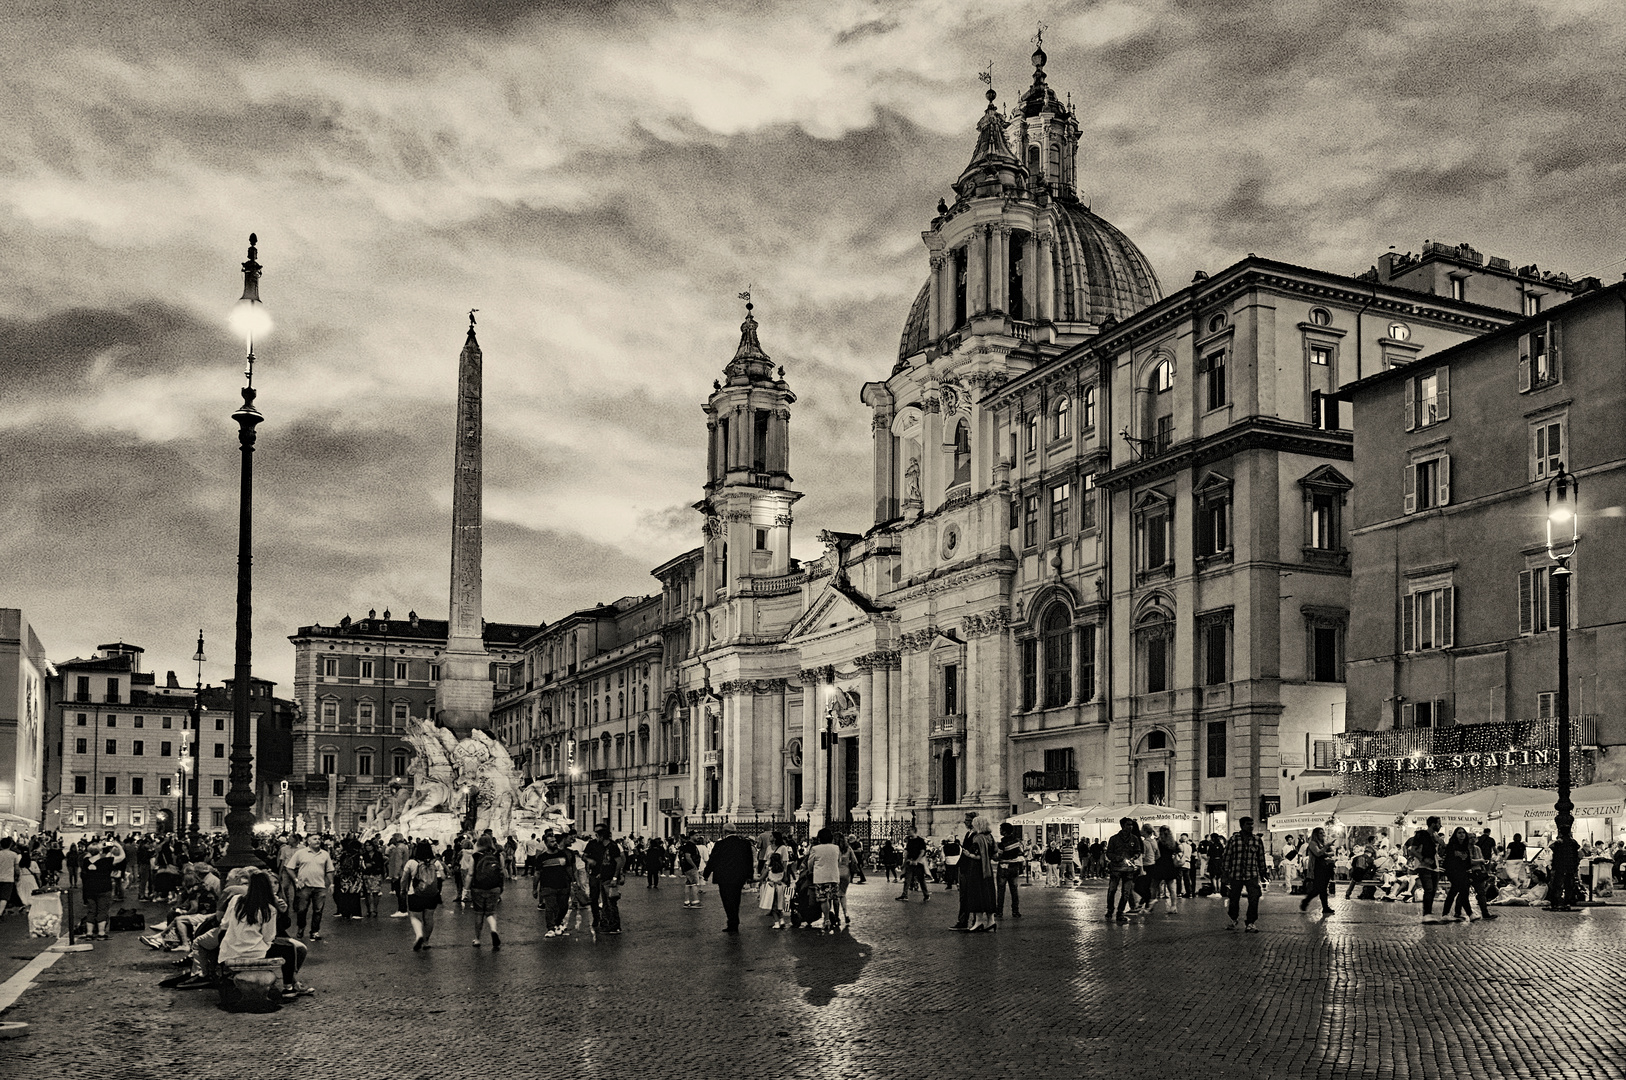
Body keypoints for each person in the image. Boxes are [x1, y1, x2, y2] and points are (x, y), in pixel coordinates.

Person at [219, 870, 310, 1000]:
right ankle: (288, 987)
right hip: (254, 951)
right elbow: (268, 937)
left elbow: (225, 924)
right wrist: (281, 911)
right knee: (288, 949)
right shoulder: (268, 908)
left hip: (232, 949)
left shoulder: (236, 900)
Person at [704, 824, 757, 933]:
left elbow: (713, 860)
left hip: (724, 877)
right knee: (736, 898)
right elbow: (749, 861)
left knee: (726, 899)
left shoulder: (720, 844)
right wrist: (749, 876)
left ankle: (732, 920)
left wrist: (706, 874)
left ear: (725, 832)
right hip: (739, 876)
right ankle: (734, 921)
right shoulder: (744, 844)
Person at [284, 833, 334, 940]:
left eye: (319, 839)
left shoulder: (325, 854)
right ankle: (301, 927)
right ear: (308, 841)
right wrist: (296, 880)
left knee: (318, 910)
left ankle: (315, 931)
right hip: (304, 886)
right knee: (302, 910)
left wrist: (331, 883)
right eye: (314, 839)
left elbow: (329, 870)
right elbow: (289, 867)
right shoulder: (300, 853)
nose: (317, 841)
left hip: (320, 886)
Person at [1222, 816, 1268, 932]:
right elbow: (1227, 857)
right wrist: (1225, 873)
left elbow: (1261, 857)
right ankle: (1233, 918)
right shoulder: (1233, 839)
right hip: (1236, 874)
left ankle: (1251, 922)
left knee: (1254, 898)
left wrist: (1263, 872)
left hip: (1251, 874)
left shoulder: (1257, 840)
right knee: (1233, 898)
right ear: (1242, 825)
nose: (1251, 826)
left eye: (1252, 824)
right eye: (1248, 824)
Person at [403, 839, 445, 950]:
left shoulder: (412, 862)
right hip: (432, 894)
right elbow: (443, 877)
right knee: (429, 917)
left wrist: (403, 889)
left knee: (415, 917)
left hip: (415, 893)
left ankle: (419, 935)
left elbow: (404, 878)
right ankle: (426, 942)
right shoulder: (435, 862)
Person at [961, 816, 999, 932]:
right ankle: (991, 921)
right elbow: (994, 854)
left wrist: (968, 854)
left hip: (977, 870)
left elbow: (977, 856)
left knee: (977, 894)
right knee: (988, 894)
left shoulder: (978, 838)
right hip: (988, 870)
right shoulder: (990, 837)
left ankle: (978, 922)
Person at [535, 831, 574, 936]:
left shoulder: (562, 854)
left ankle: (557, 923)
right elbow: (537, 873)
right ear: (546, 844)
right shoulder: (542, 858)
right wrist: (535, 888)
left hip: (562, 885)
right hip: (548, 886)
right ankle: (551, 928)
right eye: (551, 842)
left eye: (555, 841)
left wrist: (573, 881)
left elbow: (568, 868)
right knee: (550, 907)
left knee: (563, 907)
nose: (554, 843)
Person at [468, 835, 504, 949]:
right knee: (491, 912)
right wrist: (501, 887)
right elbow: (502, 871)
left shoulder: (475, 856)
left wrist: (465, 889)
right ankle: (493, 929)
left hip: (478, 888)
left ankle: (477, 939)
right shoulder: (498, 855)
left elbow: (470, 874)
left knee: (479, 913)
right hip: (494, 888)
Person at [1104, 818, 1143, 922]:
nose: (1130, 827)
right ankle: (1110, 910)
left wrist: (1134, 856)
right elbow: (1109, 853)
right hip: (1116, 869)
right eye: (1128, 825)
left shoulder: (1134, 839)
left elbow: (1138, 851)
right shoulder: (1114, 839)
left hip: (1129, 869)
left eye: (1131, 825)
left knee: (1126, 892)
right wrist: (1117, 858)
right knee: (1112, 890)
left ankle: (1120, 912)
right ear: (1122, 826)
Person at [807, 828, 843, 934]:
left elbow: (810, 863)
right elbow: (839, 861)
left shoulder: (815, 849)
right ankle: (837, 917)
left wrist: (811, 871)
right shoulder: (836, 848)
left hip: (821, 877)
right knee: (835, 897)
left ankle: (826, 919)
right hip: (834, 876)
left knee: (823, 899)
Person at [1409, 817, 1444, 923]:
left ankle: (1429, 912)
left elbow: (1441, 848)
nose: (1440, 826)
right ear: (1433, 824)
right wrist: (1422, 859)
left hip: (1435, 866)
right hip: (1423, 866)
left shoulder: (1435, 836)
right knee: (1428, 889)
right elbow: (1412, 850)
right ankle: (1426, 914)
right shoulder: (1421, 835)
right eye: (1439, 823)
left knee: (1433, 890)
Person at [80, 840, 118, 939]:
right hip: (104, 888)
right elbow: (121, 856)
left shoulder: (85, 861)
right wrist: (117, 846)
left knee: (91, 911)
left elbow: (88, 854)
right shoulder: (106, 861)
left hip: (89, 889)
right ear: (100, 851)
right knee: (102, 910)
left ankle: (89, 933)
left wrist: (93, 849)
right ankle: (101, 933)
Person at [1299, 827, 1335, 916]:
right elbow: (1318, 853)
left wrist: (1325, 852)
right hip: (1317, 868)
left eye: (1323, 833)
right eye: (1320, 833)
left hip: (1325, 868)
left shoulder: (1322, 843)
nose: (1323, 834)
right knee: (1318, 888)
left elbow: (1332, 852)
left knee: (1322, 889)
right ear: (1315, 834)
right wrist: (1326, 848)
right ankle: (1306, 901)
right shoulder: (1312, 843)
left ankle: (1325, 907)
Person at [996, 822, 1024, 919]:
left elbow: (998, 856)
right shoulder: (1017, 841)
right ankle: (1015, 911)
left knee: (1001, 891)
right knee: (1014, 890)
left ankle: (999, 912)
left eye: (1001, 829)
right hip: (1014, 867)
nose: (1000, 831)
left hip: (1003, 868)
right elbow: (1021, 852)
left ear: (1004, 831)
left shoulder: (1002, 844)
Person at [897, 825, 929, 902]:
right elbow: (907, 853)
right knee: (907, 879)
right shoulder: (910, 841)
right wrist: (904, 863)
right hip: (910, 861)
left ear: (913, 831)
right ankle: (904, 895)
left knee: (921, 879)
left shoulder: (920, 840)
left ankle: (926, 895)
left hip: (918, 863)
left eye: (909, 830)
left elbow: (922, 852)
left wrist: (917, 861)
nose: (907, 831)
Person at [385, 834, 411, 918]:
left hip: (399, 873)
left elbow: (398, 862)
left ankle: (402, 909)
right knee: (401, 891)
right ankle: (403, 909)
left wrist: (395, 875)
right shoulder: (404, 847)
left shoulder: (398, 848)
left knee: (399, 891)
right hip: (403, 872)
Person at [678, 834, 703, 907]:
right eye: (696, 835)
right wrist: (694, 866)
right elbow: (688, 857)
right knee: (694, 884)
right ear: (691, 836)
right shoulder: (690, 845)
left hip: (687, 867)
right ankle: (695, 901)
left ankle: (686, 901)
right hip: (691, 867)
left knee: (688, 884)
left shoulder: (688, 845)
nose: (698, 837)